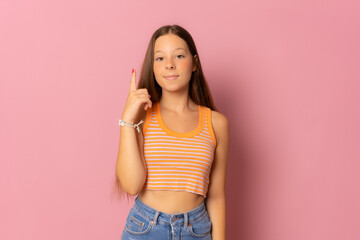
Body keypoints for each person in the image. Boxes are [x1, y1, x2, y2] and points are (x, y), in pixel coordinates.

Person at [114, 24, 229, 240]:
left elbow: (216, 197)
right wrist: (128, 120)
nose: (169, 65)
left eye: (178, 56)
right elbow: (131, 185)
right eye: (160, 58)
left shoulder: (217, 124)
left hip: (196, 230)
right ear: (153, 66)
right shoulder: (142, 115)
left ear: (194, 63)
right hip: (145, 229)